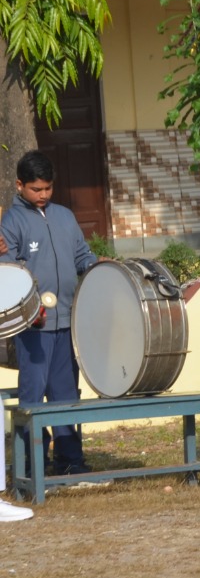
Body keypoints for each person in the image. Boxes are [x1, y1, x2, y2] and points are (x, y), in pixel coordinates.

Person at [0, 150, 96, 479]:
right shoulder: (11, 222)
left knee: (65, 392)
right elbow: (8, 271)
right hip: (33, 326)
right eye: (36, 189)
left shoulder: (65, 216)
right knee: (33, 394)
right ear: (19, 185)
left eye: (48, 188)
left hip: (67, 321)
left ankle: (70, 459)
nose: (43, 195)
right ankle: (32, 464)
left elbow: (82, 256)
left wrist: (99, 268)